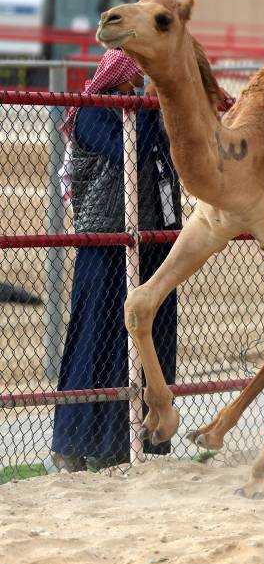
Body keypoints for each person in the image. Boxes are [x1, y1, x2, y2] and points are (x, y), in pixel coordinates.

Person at [50, 49, 182, 472]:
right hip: (106, 247)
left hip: (154, 246)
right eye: (136, 79)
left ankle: (142, 442)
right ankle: (77, 443)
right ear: (118, 79)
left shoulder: (142, 111)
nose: (140, 84)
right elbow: (131, 150)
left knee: (152, 340)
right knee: (98, 338)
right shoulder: (93, 112)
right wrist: (154, 104)